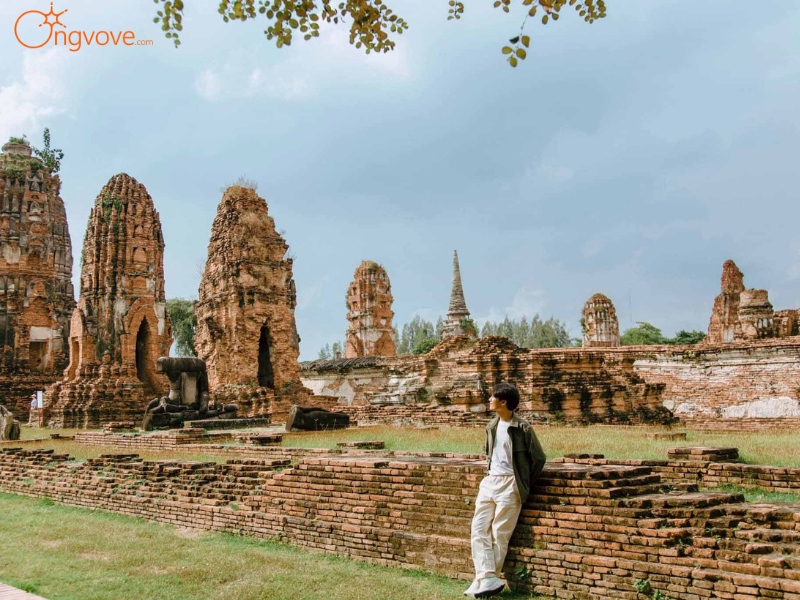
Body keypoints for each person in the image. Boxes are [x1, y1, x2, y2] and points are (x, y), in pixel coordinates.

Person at [465, 382, 547, 598]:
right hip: (490, 481)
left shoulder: (523, 428)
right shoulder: (491, 426)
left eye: (493, 397)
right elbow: (489, 454)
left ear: (504, 402)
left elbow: (538, 459)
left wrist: (524, 482)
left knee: (499, 533)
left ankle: (486, 578)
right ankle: (485, 577)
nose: (489, 400)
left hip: (511, 484)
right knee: (478, 529)